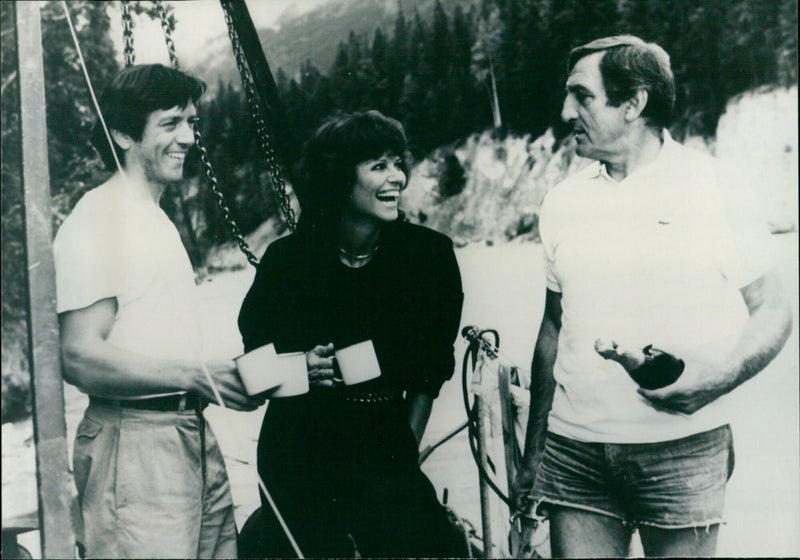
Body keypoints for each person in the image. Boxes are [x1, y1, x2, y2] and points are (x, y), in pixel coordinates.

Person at [511, 36, 793, 558]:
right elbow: (553, 328)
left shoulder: (715, 186)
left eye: (582, 96)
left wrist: (719, 378)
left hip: (683, 448)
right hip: (575, 451)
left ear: (634, 103)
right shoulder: (562, 201)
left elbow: (774, 307)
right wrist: (535, 454)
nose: (564, 111)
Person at [237, 110, 468, 558]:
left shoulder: (428, 257)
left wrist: (403, 452)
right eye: (378, 166)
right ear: (339, 177)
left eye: (397, 162)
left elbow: (429, 371)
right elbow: (252, 365)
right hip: (298, 447)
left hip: (386, 440)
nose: (396, 177)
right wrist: (299, 370)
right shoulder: (287, 262)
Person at [54, 64, 261, 558]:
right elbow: (78, 356)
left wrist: (243, 375)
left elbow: (155, 339)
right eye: (171, 124)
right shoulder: (98, 218)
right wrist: (193, 375)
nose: (189, 137)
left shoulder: (156, 218)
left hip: (191, 436)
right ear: (123, 133)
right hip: (134, 448)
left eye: (191, 122)